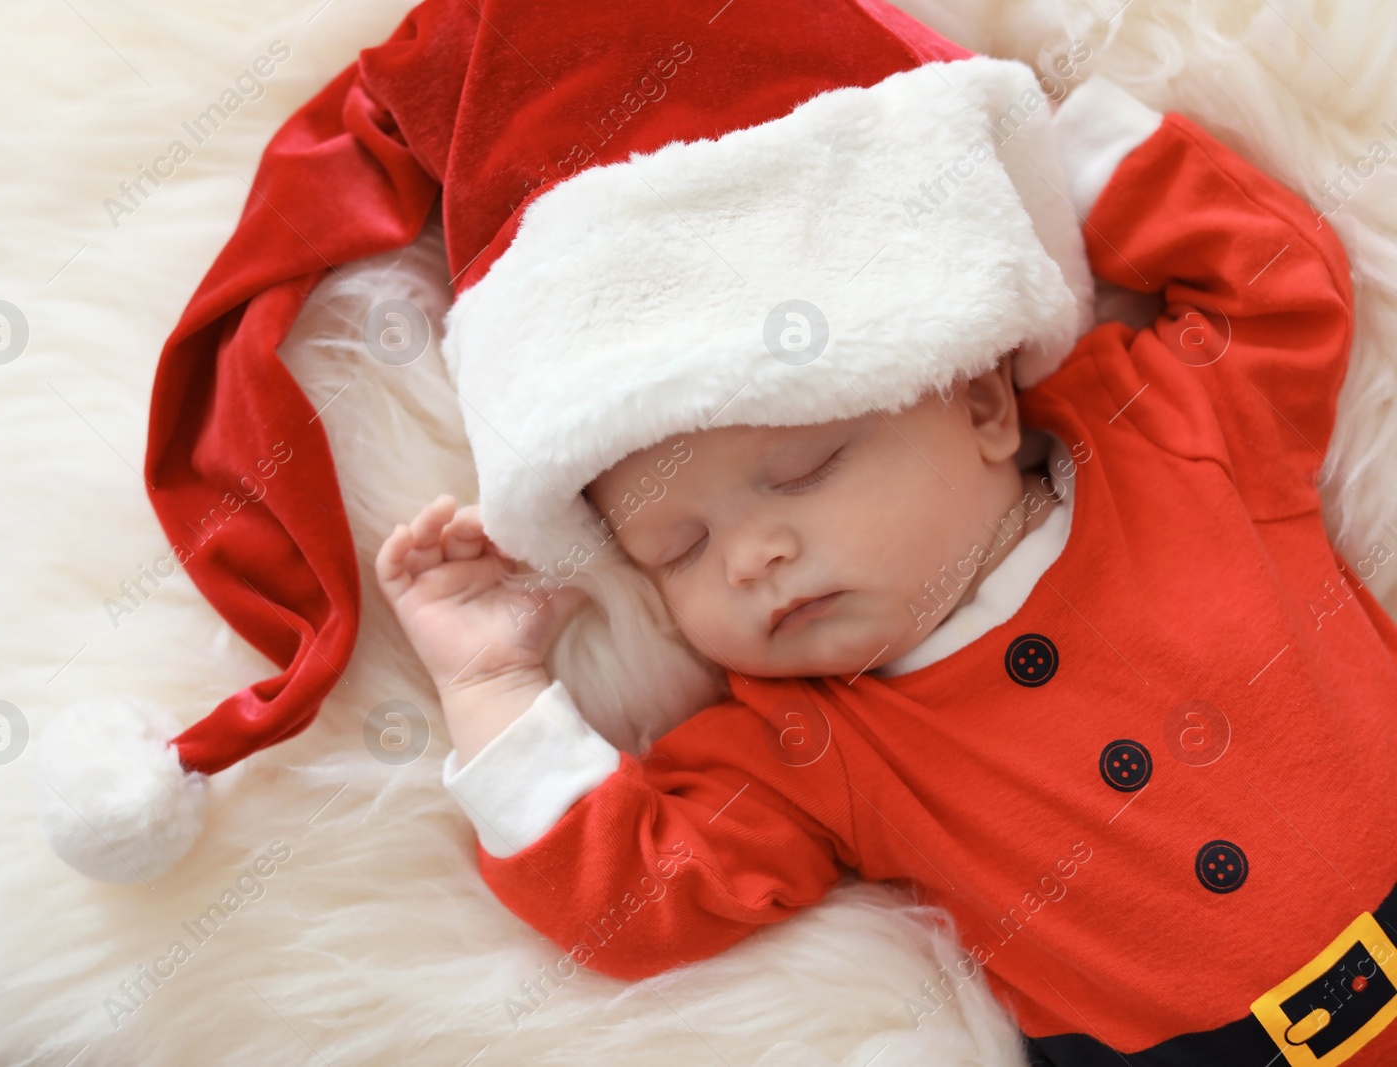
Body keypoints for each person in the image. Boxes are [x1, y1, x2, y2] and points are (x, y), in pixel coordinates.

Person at [377, 71, 1397, 1064]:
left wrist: (1046, 157)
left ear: (985, 408)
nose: (749, 555)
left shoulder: (1164, 434)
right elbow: (637, 899)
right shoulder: (817, 741)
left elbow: (1279, 288)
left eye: (804, 469)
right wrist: (489, 681)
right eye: (675, 549)